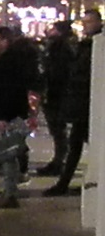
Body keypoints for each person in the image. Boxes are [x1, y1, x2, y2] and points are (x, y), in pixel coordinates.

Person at [44, 9, 103, 196]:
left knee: (81, 143)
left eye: (89, 22)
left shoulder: (96, 45)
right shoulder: (84, 45)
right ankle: (67, 182)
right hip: (83, 104)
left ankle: (69, 182)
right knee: (77, 143)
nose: (85, 26)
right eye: (84, 22)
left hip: (91, 103)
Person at [0, 25, 36, 208]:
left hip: (8, 115)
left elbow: (7, 91)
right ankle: (9, 191)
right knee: (7, 153)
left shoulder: (9, 63)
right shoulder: (3, 61)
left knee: (7, 154)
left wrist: (3, 118)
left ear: (4, 42)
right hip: (7, 113)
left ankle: (10, 194)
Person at [36, 20, 76, 176]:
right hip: (58, 93)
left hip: (56, 94)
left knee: (58, 130)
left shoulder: (59, 48)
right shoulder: (65, 46)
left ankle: (59, 161)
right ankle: (59, 160)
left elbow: (56, 72)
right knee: (58, 131)